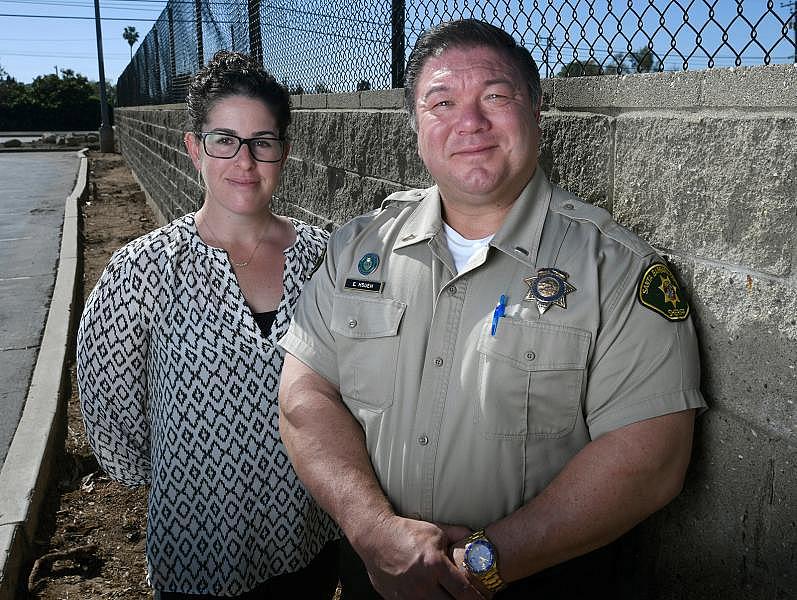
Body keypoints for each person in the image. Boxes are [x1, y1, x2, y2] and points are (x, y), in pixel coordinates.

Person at [277, 19, 707, 599]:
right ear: (416, 126)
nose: (470, 122)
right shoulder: (360, 248)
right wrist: (373, 530)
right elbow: (306, 397)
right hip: (374, 578)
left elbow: (652, 456)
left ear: (536, 107)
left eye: (496, 97)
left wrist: (487, 561)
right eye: (442, 102)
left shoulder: (618, 270)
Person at [77, 51, 339, 599]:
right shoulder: (141, 272)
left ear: (283, 153)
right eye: (225, 139)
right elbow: (114, 419)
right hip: (199, 558)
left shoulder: (325, 260)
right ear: (194, 148)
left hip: (308, 544)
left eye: (262, 142)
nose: (244, 160)